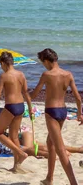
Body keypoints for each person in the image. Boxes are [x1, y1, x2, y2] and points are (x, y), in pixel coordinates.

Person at [31, 48, 82, 185]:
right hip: (63, 112)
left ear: (47, 61)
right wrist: (79, 113)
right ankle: (49, 178)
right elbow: (78, 97)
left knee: (60, 149)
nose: (44, 65)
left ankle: (73, 183)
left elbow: (35, 94)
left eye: (43, 63)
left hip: (51, 112)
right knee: (50, 143)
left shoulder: (47, 74)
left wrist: (25, 96)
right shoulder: (68, 74)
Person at [0, 51, 33, 172]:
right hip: (21, 106)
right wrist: (30, 109)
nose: (1, 67)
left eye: (1, 65)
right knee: (13, 136)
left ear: (4, 63)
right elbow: (26, 93)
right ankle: (16, 166)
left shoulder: (4, 76)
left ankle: (21, 153)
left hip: (11, 107)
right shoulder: (21, 74)